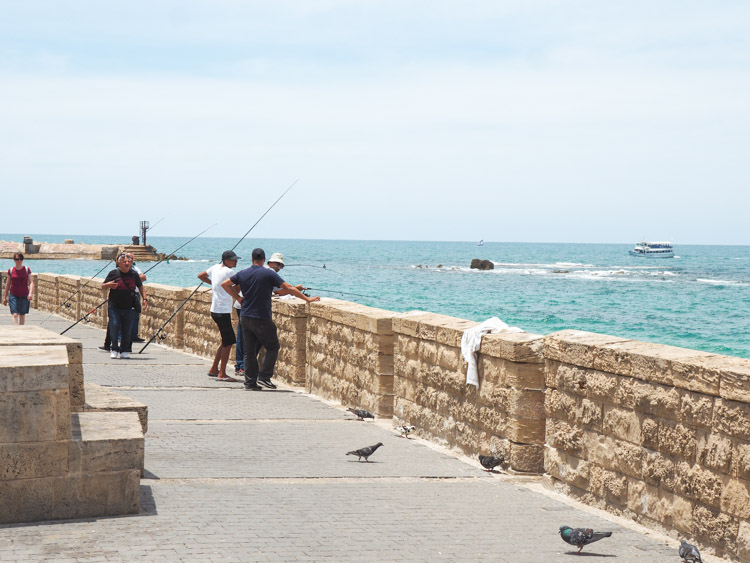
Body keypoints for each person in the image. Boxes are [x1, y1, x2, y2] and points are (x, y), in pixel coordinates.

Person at [222, 248, 319, 391]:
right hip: (261, 317)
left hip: (245, 316)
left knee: (249, 352)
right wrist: (307, 299)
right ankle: (264, 377)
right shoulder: (268, 273)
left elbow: (225, 284)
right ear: (264, 259)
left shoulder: (243, 273)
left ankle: (250, 383)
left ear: (252, 258)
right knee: (273, 347)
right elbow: (289, 288)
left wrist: (238, 298)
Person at [198, 250, 241, 382]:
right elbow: (237, 288)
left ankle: (214, 369)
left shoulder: (215, 267)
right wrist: (237, 295)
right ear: (227, 260)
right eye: (233, 259)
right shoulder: (229, 272)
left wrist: (214, 284)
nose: (236, 261)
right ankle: (222, 374)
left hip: (214, 309)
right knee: (228, 342)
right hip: (223, 311)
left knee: (225, 340)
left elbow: (201, 275)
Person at [102, 253, 148, 359]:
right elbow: (103, 286)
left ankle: (123, 350)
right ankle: (114, 349)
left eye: (129, 261)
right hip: (114, 306)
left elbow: (141, 286)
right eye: (124, 262)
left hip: (129, 306)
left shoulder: (134, 274)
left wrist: (144, 299)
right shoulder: (113, 273)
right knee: (114, 326)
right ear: (119, 263)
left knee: (127, 329)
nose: (127, 263)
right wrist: (108, 285)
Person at [3, 253, 34, 325]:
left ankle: (21, 331)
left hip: (24, 295)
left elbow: (31, 282)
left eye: (21, 259)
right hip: (13, 295)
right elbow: (7, 284)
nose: (19, 261)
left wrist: (30, 293)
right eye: (17, 259)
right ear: (14, 260)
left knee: (22, 315)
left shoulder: (26, 269)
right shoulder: (11, 270)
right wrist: (5, 297)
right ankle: (14, 331)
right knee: (15, 314)